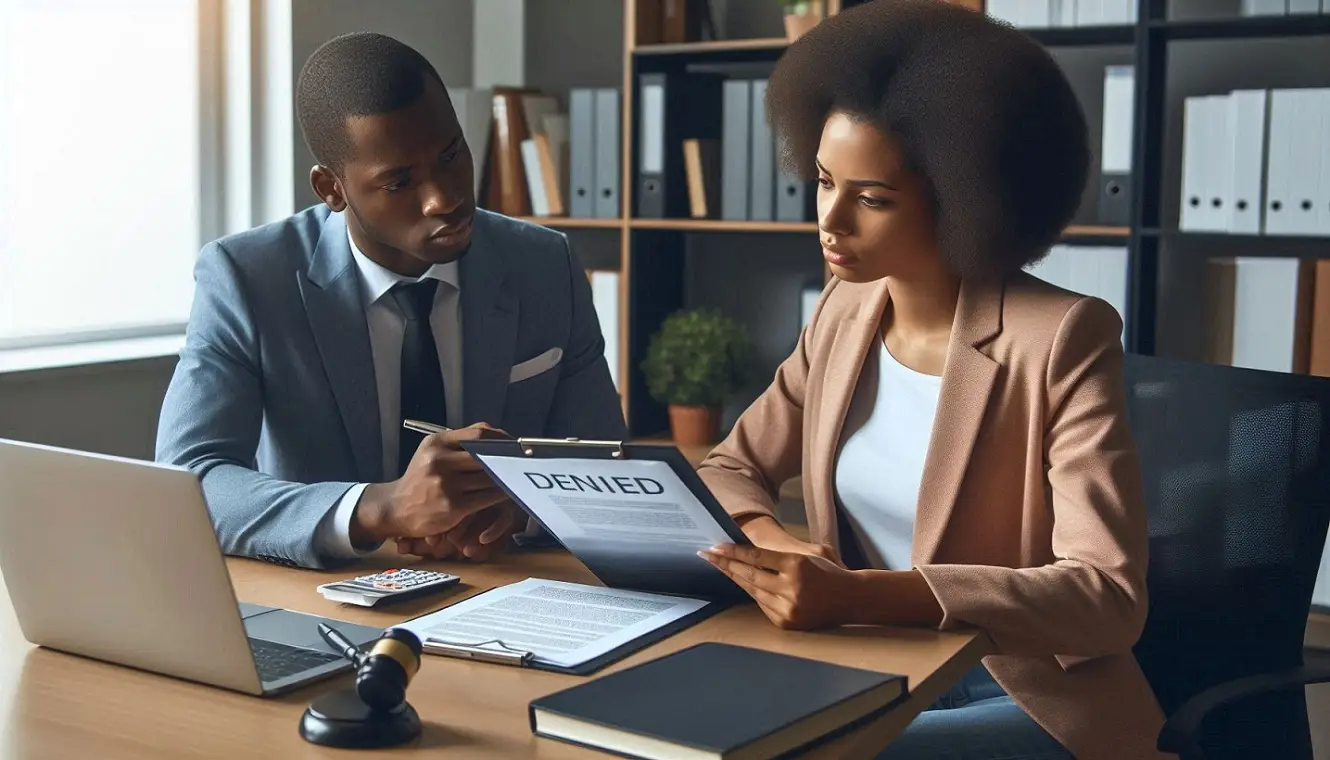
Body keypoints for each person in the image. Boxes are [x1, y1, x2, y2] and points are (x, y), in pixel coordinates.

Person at [693, 2, 1167, 759]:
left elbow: (1106, 597)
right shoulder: (844, 315)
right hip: (871, 658)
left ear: (963, 198)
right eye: (823, 182)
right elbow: (731, 466)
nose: (831, 220)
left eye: (872, 198)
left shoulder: (1063, 339)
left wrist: (865, 594)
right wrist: (773, 544)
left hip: (1018, 685)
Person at [156, 32, 625, 571]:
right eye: (399, 182)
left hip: (505, 586)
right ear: (332, 189)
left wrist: (516, 507)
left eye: (452, 155)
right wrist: (381, 508)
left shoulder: (544, 264)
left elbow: (612, 472)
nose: (444, 198)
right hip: (325, 597)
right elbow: (190, 479)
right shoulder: (247, 278)